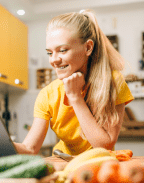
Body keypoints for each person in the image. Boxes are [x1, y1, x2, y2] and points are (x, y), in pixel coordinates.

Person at [13, 9, 134, 156]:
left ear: (88, 47)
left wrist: (75, 97)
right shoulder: (48, 94)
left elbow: (105, 145)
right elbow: (30, 149)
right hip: (62, 163)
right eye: (50, 53)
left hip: (97, 165)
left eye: (62, 50)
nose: (54, 60)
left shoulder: (112, 82)